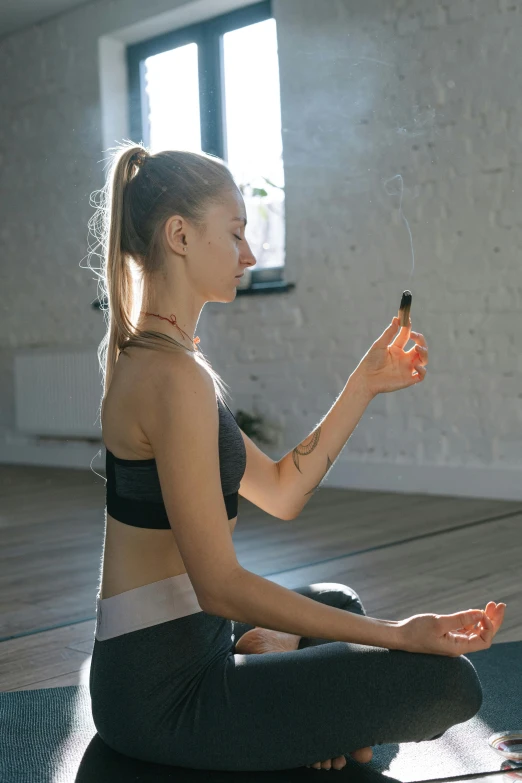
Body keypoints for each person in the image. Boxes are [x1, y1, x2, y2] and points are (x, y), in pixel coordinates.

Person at [88, 142, 506, 772]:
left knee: (335, 601)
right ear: (179, 235)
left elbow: (282, 491)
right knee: (450, 685)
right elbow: (220, 584)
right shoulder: (171, 377)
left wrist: (362, 385)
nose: (249, 255)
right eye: (235, 234)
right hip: (165, 698)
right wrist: (399, 634)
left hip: (189, 650)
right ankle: (295, 696)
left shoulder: (166, 363)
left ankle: (282, 677)